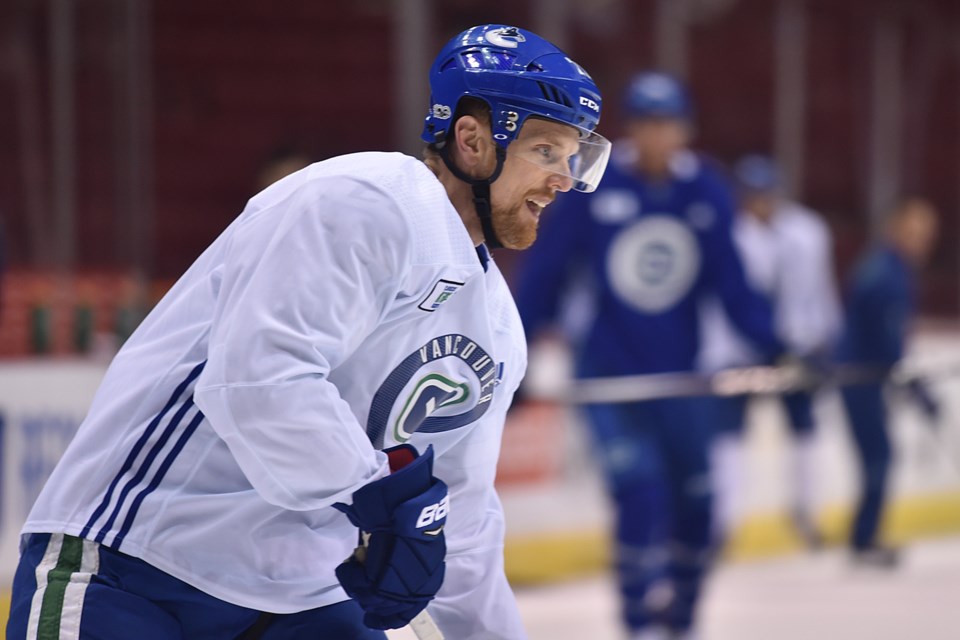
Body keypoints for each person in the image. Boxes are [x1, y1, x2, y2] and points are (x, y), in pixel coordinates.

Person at [7, 24, 611, 640]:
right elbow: (258, 382)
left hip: (308, 598)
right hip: (139, 564)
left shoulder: (498, 326)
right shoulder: (358, 201)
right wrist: (377, 493)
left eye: (573, 157)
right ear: (473, 140)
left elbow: (463, 514)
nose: (564, 178)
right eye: (545, 151)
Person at [514, 71, 781, 640]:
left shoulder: (705, 188)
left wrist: (779, 345)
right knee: (639, 496)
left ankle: (680, 622)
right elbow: (547, 275)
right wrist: (518, 354)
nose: (656, 135)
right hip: (612, 377)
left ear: (684, 130)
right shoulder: (595, 186)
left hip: (682, 382)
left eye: (667, 123)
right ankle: (641, 627)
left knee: (697, 510)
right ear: (631, 129)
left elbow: (732, 287)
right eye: (645, 123)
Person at [699, 154, 842, 546]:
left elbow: (820, 289)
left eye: (765, 193)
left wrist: (826, 337)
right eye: (752, 194)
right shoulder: (728, 232)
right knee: (728, 434)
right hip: (738, 350)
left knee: (805, 431)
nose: (759, 202)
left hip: (798, 346)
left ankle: (806, 513)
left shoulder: (808, 231)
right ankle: (721, 524)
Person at [836, 197, 940, 568]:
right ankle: (864, 539)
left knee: (879, 456)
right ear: (895, 228)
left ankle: (865, 536)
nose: (921, 240)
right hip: (860, 377)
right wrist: (915, 389)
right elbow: (888, 343)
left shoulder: (890, 269)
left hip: (868, 376)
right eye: (914, 231)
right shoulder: (886, 274)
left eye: (926, 234)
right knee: (878, 457)